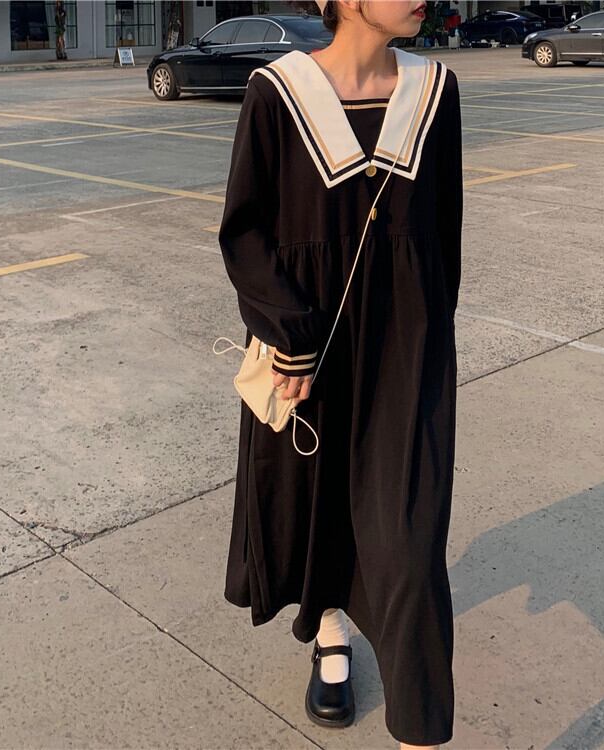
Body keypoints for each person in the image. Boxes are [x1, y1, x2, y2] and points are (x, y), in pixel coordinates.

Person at [217, 1, 463, 747]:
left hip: (405, 349)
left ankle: (419, 729)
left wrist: (430, 338)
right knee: (315, 505)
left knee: (411, 544)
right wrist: (287, 334)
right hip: (309, 348)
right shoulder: (277, 92)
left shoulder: (435, 91)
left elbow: (445, 231)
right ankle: (330, 632)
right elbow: (244, 230)